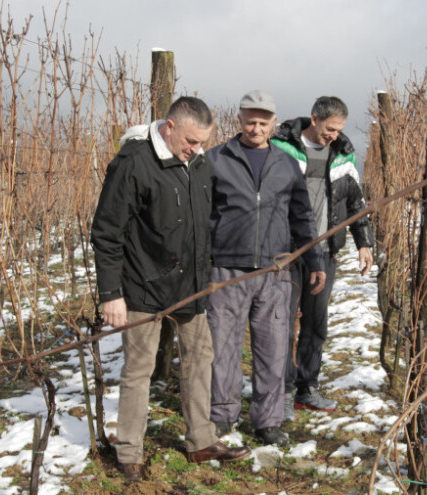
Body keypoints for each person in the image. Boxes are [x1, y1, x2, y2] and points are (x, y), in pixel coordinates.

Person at [91, 97, 251, 483]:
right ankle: (129, 451)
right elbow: (107, 232)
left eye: (203, 143)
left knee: (200, 358)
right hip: (143, 284)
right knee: (139, 368)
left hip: (190, 286)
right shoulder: (133, 163)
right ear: (169, 126)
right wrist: (111, 293)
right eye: (191, 141)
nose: (196, 149)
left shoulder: (199, 163)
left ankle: (201, 441)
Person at [206, 90, 326, 447]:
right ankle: (222, 414)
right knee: (222, 347)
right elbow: (201, 216)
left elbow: (302, 215)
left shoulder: (286, 164)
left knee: (273, 349)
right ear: (239, 120)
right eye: (250, 121)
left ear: (273, 123)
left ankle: (268, 420)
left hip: (276, 271)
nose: (256, 128)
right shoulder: (215, 159)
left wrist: (315, 260)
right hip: (226, 270)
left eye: (263, 122)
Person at [272, 96, 375, 420]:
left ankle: (307, 388)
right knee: (282, 324)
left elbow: (356, 202)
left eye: (339, 130)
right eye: (330, 128)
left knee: (316, 323)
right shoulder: (282, 148)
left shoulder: (343, 155)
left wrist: (364, 243)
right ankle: (281, 391)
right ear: (314, 119)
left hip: (325, 252)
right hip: (287, 251)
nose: (334, 135)